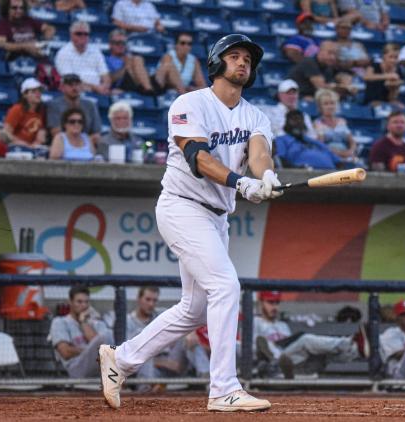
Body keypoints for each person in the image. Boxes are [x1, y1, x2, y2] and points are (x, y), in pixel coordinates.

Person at [98, 34, 281, 412]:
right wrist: (240, 181)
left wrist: (265, 178)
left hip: (217, 218)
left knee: (193, 308)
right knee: (226, 285)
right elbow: (197, 156)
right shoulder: (189, 103)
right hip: (182, 206)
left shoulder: (255, 115)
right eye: (234, 56)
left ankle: (122, 359)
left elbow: (259, 153)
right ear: (217, 62)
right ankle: (224, 388)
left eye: (247, 58)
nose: (243, 63)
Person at [254, 291, 370, 379]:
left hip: (293, 362)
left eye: (276, 303)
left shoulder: (282, 325)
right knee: (306, 339)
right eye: (270, 302)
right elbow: (251, 348)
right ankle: (348, 342)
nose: (274, 307)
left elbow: (291, 349)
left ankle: (357, 350)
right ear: (260, 302)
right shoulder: (254, 322)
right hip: (275, 363)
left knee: (324, 353)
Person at [126, 287, 210, 392]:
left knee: (189, 337)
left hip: (173, 360)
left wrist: (191, 333)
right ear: (138, 299)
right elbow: (131, 355)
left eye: (154, 300)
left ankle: (207, 380)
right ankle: (146, 392)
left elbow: (184, 321)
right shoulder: (128, 321)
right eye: (148, 299)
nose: (151, 304)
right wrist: (164, 362)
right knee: (144, 355)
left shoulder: (161, 314)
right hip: (150, 368)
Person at [49, 285, 113, 378]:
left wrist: (84, 322)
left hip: (99, 367)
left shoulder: (96, 323)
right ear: (70, 302)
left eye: (86, 302)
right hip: (75, 368)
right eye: (79, 302)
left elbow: (102, 345)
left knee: (109, 334)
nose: (83, 305)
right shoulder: (60, 322)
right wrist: (90, 351)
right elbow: (65, 352)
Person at [0, 77, 46, 147]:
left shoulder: (41, 111)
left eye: (40, 91)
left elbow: (41, 136)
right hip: (14, 146)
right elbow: (7, 133)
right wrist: (25, 145)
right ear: (25, 95)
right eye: (34, 91)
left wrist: (35, 145)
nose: (38, 94)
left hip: (31, 148)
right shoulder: (17, 109)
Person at [54, 21, 111, 95]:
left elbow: (105, 75)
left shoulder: (96, 51)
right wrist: (96, 88)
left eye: (86, 34)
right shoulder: (63, 53)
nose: (83, 36)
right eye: (79, 34)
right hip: (76, 92)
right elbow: (70, 81)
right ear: (71, 35)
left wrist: (104, 87)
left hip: (99, 91)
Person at [287, 40, 358, 99]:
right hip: (294, 97)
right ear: (320, 52)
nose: (333, 57)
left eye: (335, 54)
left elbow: (342, 76)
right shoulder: (309, 62)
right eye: (329, 53)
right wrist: (346, 88)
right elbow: (322, 87)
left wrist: (345, 80)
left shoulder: (328, 67)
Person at [275, 109, 341, 169]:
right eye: (294, 120)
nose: (298, 122)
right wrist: (298, 169)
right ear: (286, 124)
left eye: (300, 119)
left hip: (331, 174)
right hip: (305, 175)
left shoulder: (314, 141)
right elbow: (281, 161)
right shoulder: (281, 140)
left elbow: (338, 162)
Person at [46, 74, 102, 143]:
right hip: (62, 145)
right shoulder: (54, 105)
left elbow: (96, 133)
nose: (74, 88)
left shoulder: (90, 105)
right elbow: (55, 133)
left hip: (86, 145)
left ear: (81, 87)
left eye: (77, 84)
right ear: (62, 87)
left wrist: (81, 144)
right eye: (70, 85)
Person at [105, 29, 161, 95]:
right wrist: (126, 66)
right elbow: (109, 79)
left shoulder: (129, 57)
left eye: (123, 43)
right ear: (110, 44)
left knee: (138, 59)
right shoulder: (106, 60)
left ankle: (148, 90)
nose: (121, 46)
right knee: (136, 59)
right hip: (120, 83)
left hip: (134, 83)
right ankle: (149, 91)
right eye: (117, 43)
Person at [313, 88, 357, 163]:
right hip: (328, 156)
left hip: (346, 154)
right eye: (326, 104)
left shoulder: (342, 121)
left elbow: (352, 142)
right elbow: (321, 145)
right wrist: (341, 153)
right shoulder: (317, 123)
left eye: (332, 103)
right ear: (320, 107)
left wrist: (351, 151)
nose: (330, 106)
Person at [362, 43, 404, 108]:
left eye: (396, 57)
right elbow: (366, 77)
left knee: (401, 107)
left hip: (387, 100)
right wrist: (387, 76)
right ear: (384, 56)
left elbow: (392, 97)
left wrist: (393, 87)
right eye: (390, 57)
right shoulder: (374, 65)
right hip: (372, 100)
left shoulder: (398, 70)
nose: (393, 60)